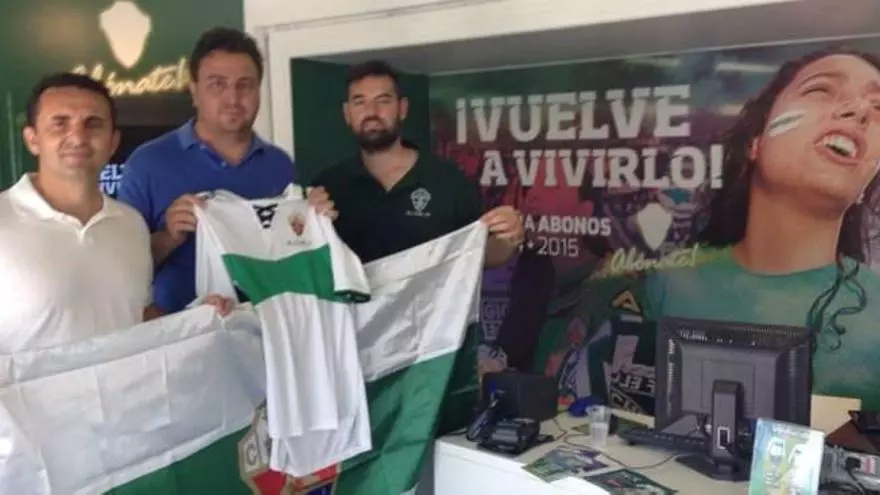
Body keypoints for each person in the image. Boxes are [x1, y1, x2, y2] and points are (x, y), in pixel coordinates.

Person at [646, 47, 880, 409]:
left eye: (878, 108)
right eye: (820, 90)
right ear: (755, 141)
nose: (860, 111)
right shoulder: (671, 281)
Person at [0, 73, 228, 353]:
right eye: (60, 123)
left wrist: (199, 320)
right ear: (32, 139)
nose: (78, 137)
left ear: (113, 141)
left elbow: (137, 319)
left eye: (93, 124)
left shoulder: (131, 225)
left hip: (128, 384)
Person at [118, 27, 334, 315]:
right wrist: (168, 237)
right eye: (217, 85)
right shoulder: (147, 163)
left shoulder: (279, 165)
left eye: (245, 85)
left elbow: (289, 251)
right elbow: (119, 271)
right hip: (182, 334)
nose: (233, 98)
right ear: (194, 91)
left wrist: (314, 222)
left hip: (266, 327)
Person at [311, 60, 525, 266]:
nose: (372, 112)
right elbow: (308, 263)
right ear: (347, 113)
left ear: (402, 109)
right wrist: (307, 224)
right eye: (360, 102)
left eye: (383, 100)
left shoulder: (447, 179)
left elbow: (481, 255)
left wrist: (507, 238)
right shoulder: (328, 187)